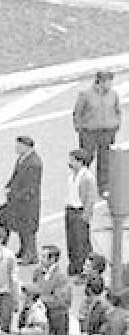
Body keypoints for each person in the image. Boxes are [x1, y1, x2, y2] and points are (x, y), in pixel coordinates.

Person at [73, 70, 122, 196]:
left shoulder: (113, 94)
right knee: (86, 159)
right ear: (100, 82)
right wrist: (80, 129)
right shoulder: (86, 94)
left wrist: (116, 124)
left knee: (105, 160)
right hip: (89, 133)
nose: (110, 85)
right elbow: (77, 113)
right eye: (108, 82)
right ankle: (81, 186)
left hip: (107, 132)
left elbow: (117, 110)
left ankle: (103, 187)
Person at [0, 135, 42, 265]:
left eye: (19, 146)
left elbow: (30, 187)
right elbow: (15, 176)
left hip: (27, 202)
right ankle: (23, 251)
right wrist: (8, 186)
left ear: (26, 147)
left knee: (28, 228)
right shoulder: (22, 158)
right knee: (20, 226)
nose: (16, 148)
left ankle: (31, 255)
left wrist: (14, 194)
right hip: (17, 200)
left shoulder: (34, 163)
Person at [66, 149, 99, 277]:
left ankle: (83, 269)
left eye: (72, 160)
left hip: (80, 211)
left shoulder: (87, 177)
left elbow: (91, 198)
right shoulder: (72, 176)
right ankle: (74, 265)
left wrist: (86, 215)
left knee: (81, 242)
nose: (69, 163)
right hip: (70, 210)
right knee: (72, 240)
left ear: (80, 162)